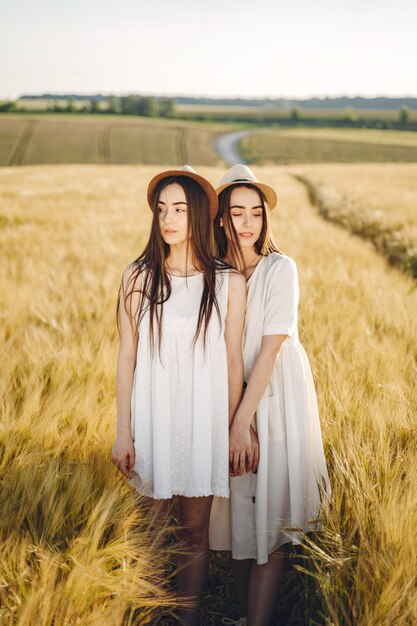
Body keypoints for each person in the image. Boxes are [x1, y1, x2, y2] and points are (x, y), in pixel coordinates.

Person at [112, 166, 247, 626]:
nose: (168, 219)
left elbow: (232, 362)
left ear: (201, 216)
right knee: (148, 530)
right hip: (153, 420)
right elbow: (126, 357)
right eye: (162, 209)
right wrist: (123, 432)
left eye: (180, 209)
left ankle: (187, 618)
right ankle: (146, 615)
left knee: (193, 531)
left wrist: (232, 431)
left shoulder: (228, 282)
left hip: (203, 422)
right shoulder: (137, 278)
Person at [209, 165, 331, 626]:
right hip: (231, 396)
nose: (246, 223)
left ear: (265, 219)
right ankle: (242, 616)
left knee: (271, 516)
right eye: (236, 213)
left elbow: (271, 348)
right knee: (241, 509)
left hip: (277, 395)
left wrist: (244, 422)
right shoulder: (215, 275)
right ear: (221, 218)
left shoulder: (282, 269)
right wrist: (232, 416)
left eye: (255, 213)